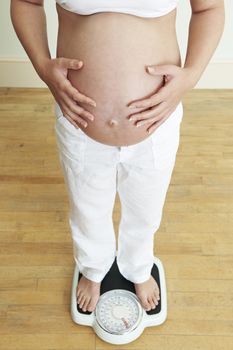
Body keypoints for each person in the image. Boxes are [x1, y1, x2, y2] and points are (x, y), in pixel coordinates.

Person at [11, 0, 225, 313]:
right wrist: (44, 67)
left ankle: (138, 266)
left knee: (146, 208)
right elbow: (26, 3)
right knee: (87, 207)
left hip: (156, 124)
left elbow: (210, 8)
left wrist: (190, 76)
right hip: (79, 121)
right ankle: (93, 268)